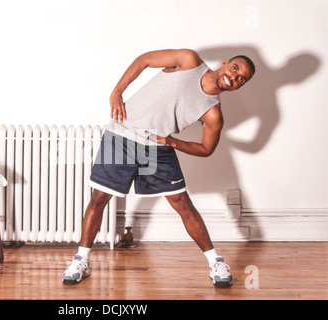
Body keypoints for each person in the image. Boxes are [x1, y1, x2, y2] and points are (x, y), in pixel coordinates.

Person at [62, 48, 255, 288]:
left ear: (239, 86)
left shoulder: (213, 113)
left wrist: (173, 142)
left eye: (240, 79)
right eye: (234, 69)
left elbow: (206, 149)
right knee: (100, 197)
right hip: (122, 135)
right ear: (226, 62)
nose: (234, 77)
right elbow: (143, 60)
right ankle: (81, 260)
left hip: (156, 147)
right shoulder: (189, 60)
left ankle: (215, 262)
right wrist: (117, 91)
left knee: (182, 204)